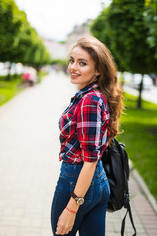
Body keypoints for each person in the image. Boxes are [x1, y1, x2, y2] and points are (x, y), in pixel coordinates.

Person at [51, 36, 123, 236]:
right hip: (98, 182)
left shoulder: (89, 100)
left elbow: (89, 160)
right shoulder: (97, 94)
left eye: (82, 63)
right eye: (72, 60)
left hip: (77, 179)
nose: (73, 67)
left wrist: (71, 208)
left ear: (98, 69)